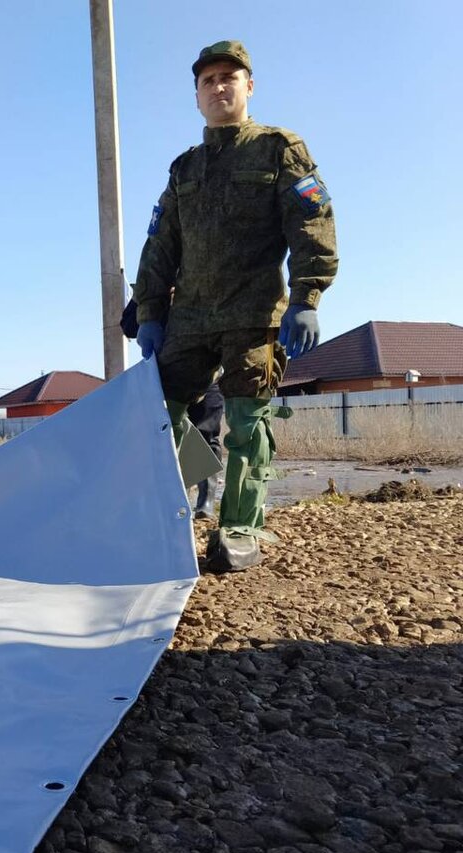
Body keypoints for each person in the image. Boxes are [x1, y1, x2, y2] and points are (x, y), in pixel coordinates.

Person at [130, 40, 338, 572]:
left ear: (249, 87)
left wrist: (307, 296)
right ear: (197, 97)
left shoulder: (277, 148)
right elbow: (160, 245)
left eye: (229, 77)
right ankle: (162, 515)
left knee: (247, 422)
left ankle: (240, 527)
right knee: (161, 418)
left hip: (253, 313)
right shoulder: (184, 167)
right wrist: (149, 311)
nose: (219, 86)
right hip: (190, 317)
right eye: (208, 81)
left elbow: (311, 223)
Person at [121, 297, 223, 519]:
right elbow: (128, 326)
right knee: (166, 436)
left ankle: (206, 500)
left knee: (207, 433)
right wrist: (147, 301)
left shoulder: (206, 281)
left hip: (208, 374)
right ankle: (175, 496)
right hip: (167, 377)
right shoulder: (155, 285)